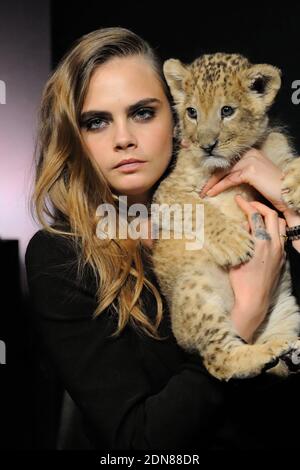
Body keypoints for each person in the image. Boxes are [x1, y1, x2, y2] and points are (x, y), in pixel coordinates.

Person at [25, 27, 300, 450]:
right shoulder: (61, 255)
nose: (123, 140)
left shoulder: (245, 193)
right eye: (96, 121)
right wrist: (247, 311)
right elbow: (138, 440)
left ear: (175, 113)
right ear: (72, 135)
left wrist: (288, 198)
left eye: (142, 113)